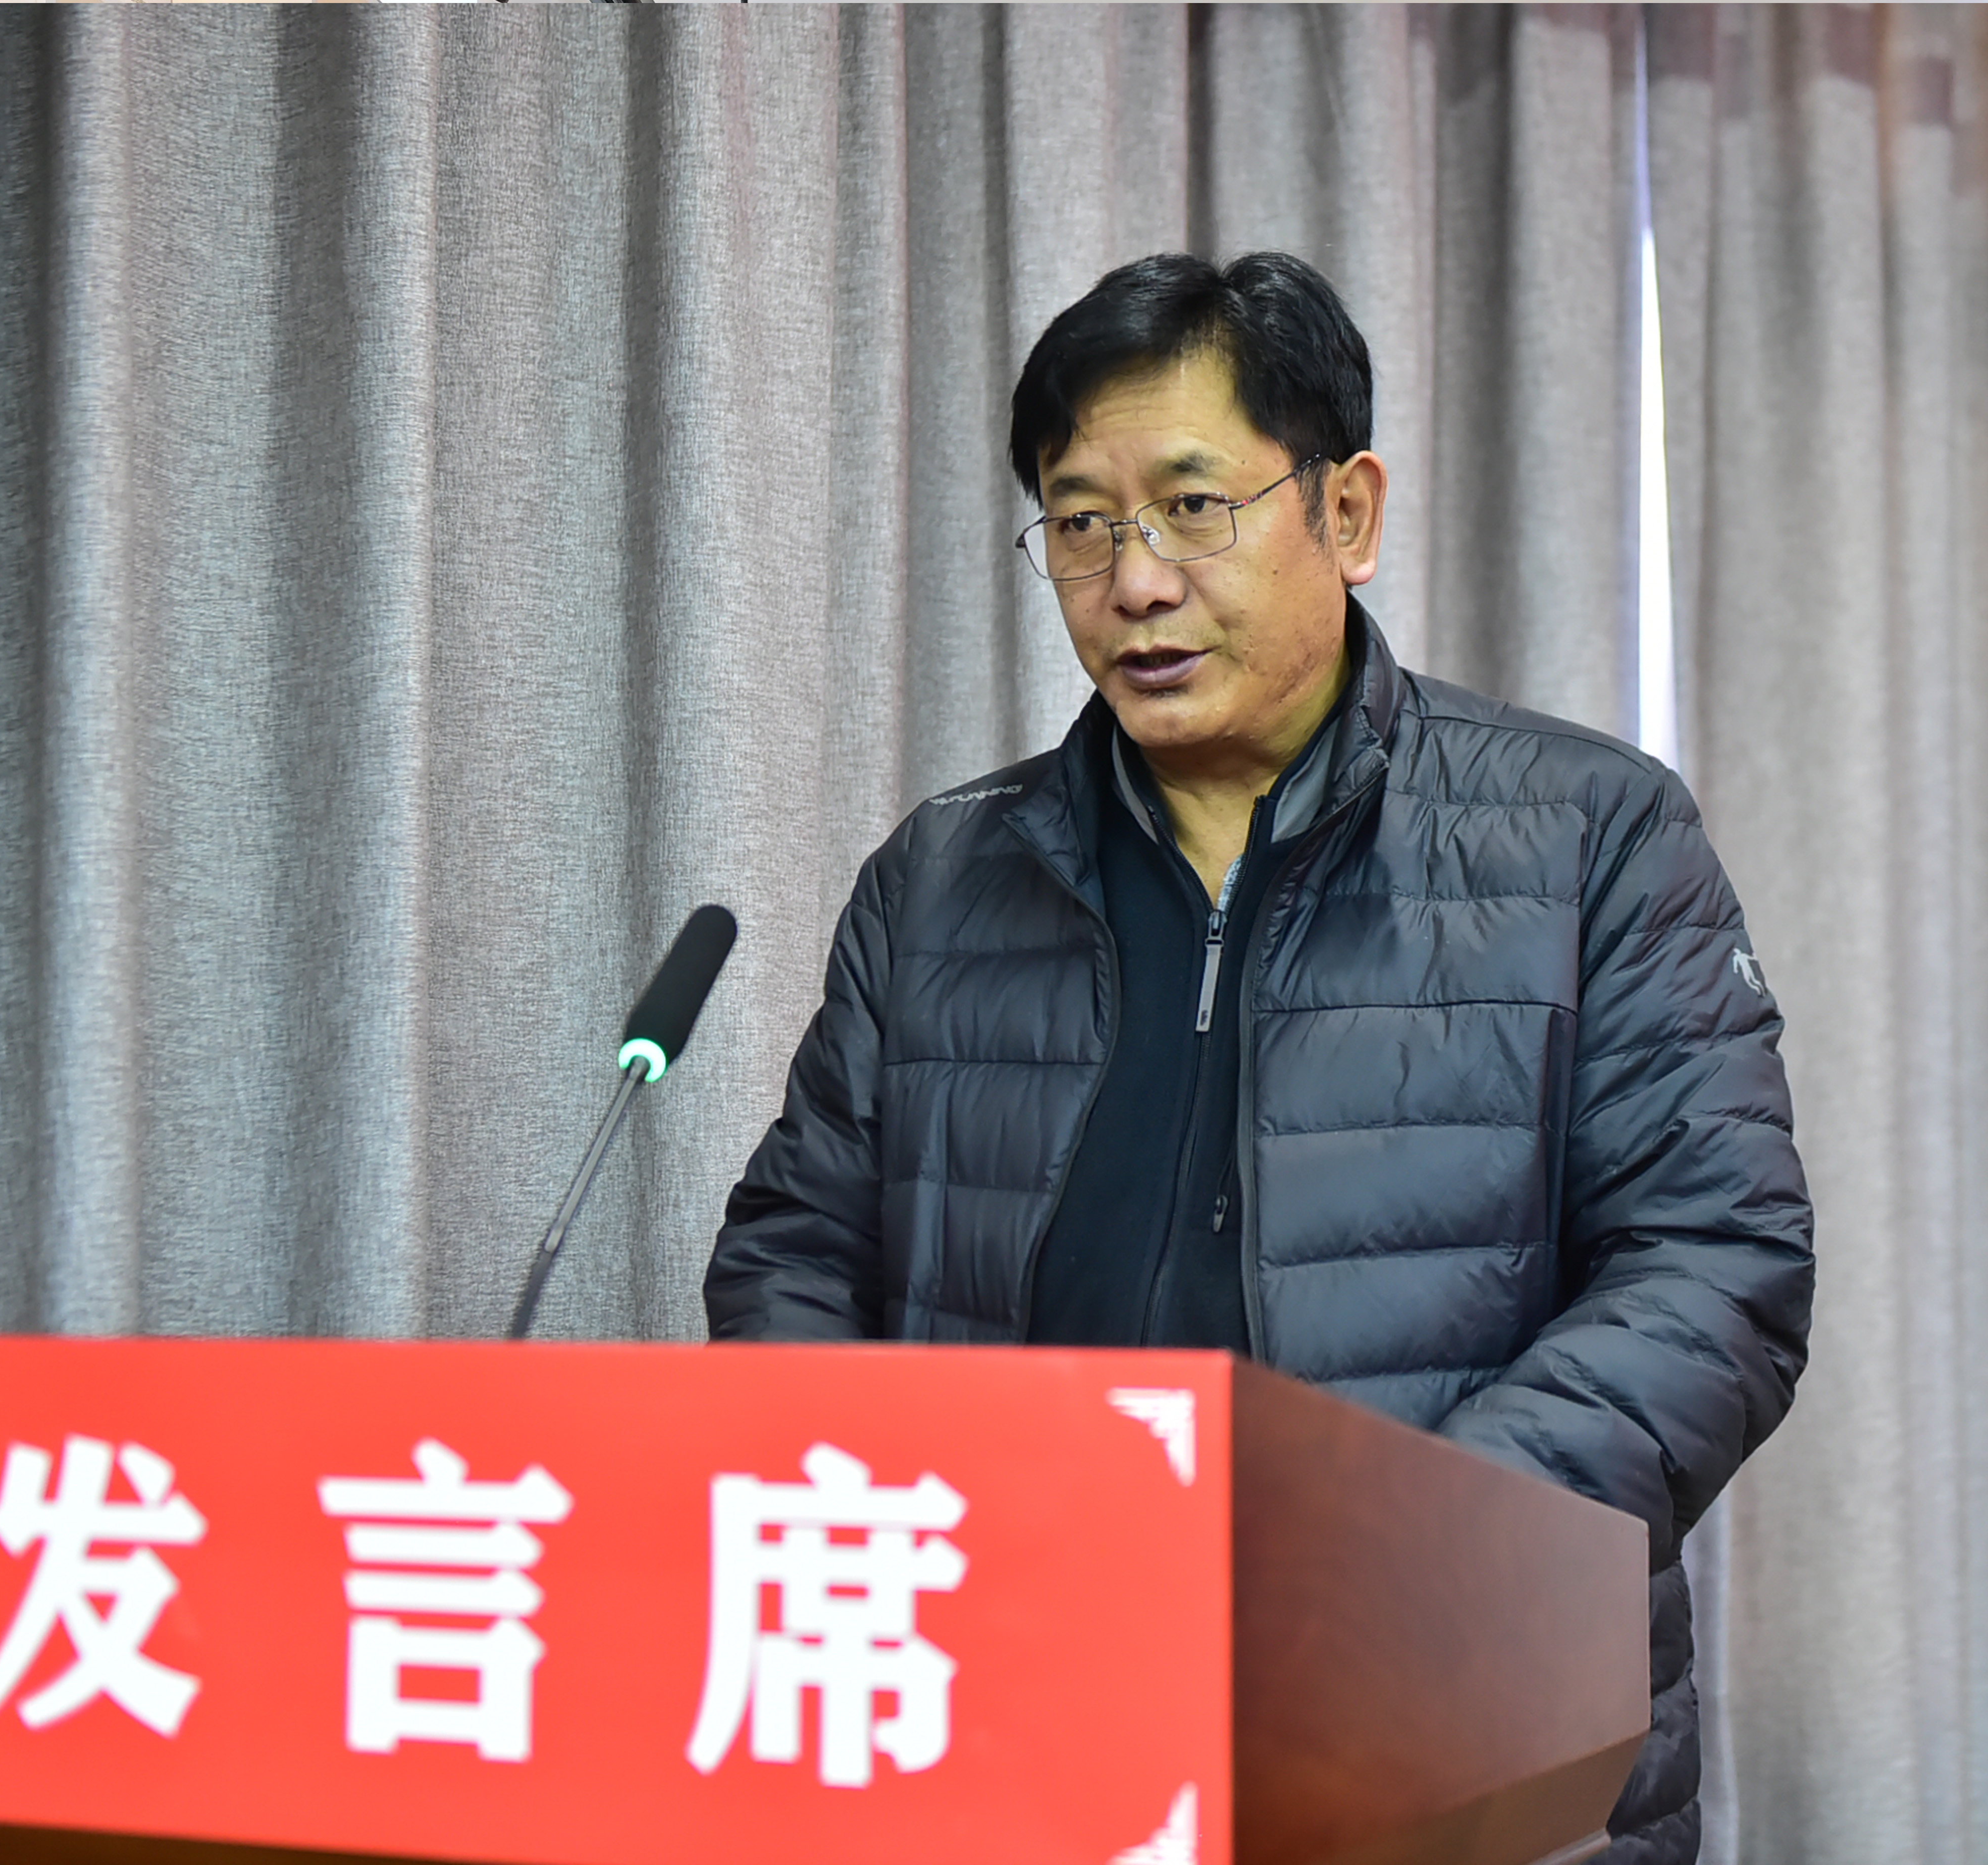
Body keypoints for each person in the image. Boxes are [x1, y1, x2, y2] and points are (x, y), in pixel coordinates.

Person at [706, 251, 1814, 1865]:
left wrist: (1403, 1552)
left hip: (1449, 1733)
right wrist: (892, 1539)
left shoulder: (1591, 841)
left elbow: (1717, 1267)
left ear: (1347, 514)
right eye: (1082, 524)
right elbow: (795, 1254)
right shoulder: (940, 877)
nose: (1136, 583)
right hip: (1018, 1736)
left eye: (1192, 508)